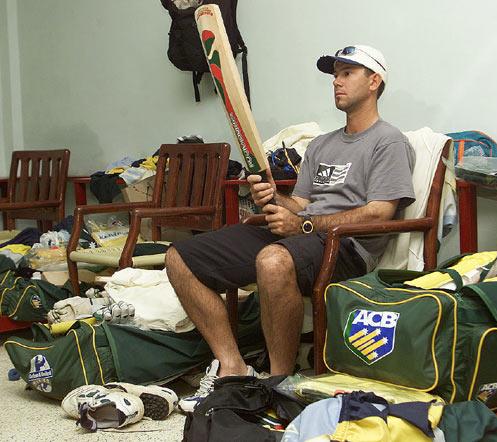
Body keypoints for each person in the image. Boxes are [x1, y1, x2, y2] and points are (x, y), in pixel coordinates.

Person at [165, 44, 416, 413]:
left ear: (375, 81)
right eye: (335, 74)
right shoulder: (322, 144)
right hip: (301, 235)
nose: (336, 81)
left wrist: (304, 224)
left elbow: (380, 213)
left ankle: (277, 382)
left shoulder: (388, 140)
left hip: (345, 246)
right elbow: (298, 205)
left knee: (272, 260)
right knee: (179, 257)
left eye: (347, 73)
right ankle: (233, 367)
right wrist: (270, 197)